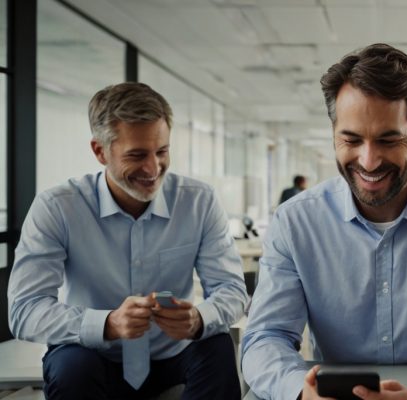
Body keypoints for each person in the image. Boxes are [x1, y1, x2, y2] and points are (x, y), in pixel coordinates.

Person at [242, 43, 407, 400]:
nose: (368, 161)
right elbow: (265, 337)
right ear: (334, 134)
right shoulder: (295, 222)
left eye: (388, 140)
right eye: (351, 140)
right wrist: (300, 393)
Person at [7, 82, 248, 399]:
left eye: (162, 151)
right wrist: (106, 323)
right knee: (70, 365)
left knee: (216, 345)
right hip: (94, 356)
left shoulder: (198, 201)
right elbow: (25, 310)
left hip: (174, 354)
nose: (152, 168)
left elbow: (233, 291)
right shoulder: (58, 207)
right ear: (100, 151)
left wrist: (198, 318)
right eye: (136, 155)